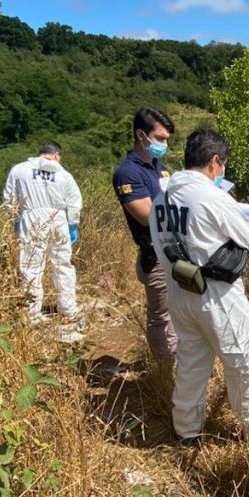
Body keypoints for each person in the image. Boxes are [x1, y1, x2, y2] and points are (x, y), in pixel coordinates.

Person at [149, 129, 249, 444]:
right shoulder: (211, 196)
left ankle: (187, 431)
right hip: (217, 295)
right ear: (215, 162)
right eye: (223, 166)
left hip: (180, 292)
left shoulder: (160, 199)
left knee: (191, 364)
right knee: (244, 362)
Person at [112, 108, 178, 364]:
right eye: (159, 138)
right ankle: (166, 371)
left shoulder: (161, 170)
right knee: (161, 317)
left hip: (174, 253)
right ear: (141, 135)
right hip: (155, 257)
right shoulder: (128, 173)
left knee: (178, 315)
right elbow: (149, 215)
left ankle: (177, 367)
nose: (164, 144)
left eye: (167, 140)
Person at [3, 142, 84, 342]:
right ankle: (68, 308)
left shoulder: (19, 170)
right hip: (58, 219)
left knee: (31, 265)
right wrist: (72, 224)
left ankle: (32, 313)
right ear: (56, 155)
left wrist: (15, 219)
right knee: (62, 264)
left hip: (30, 218)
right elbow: (74, 201)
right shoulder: (64, 175)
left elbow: (9, 198)